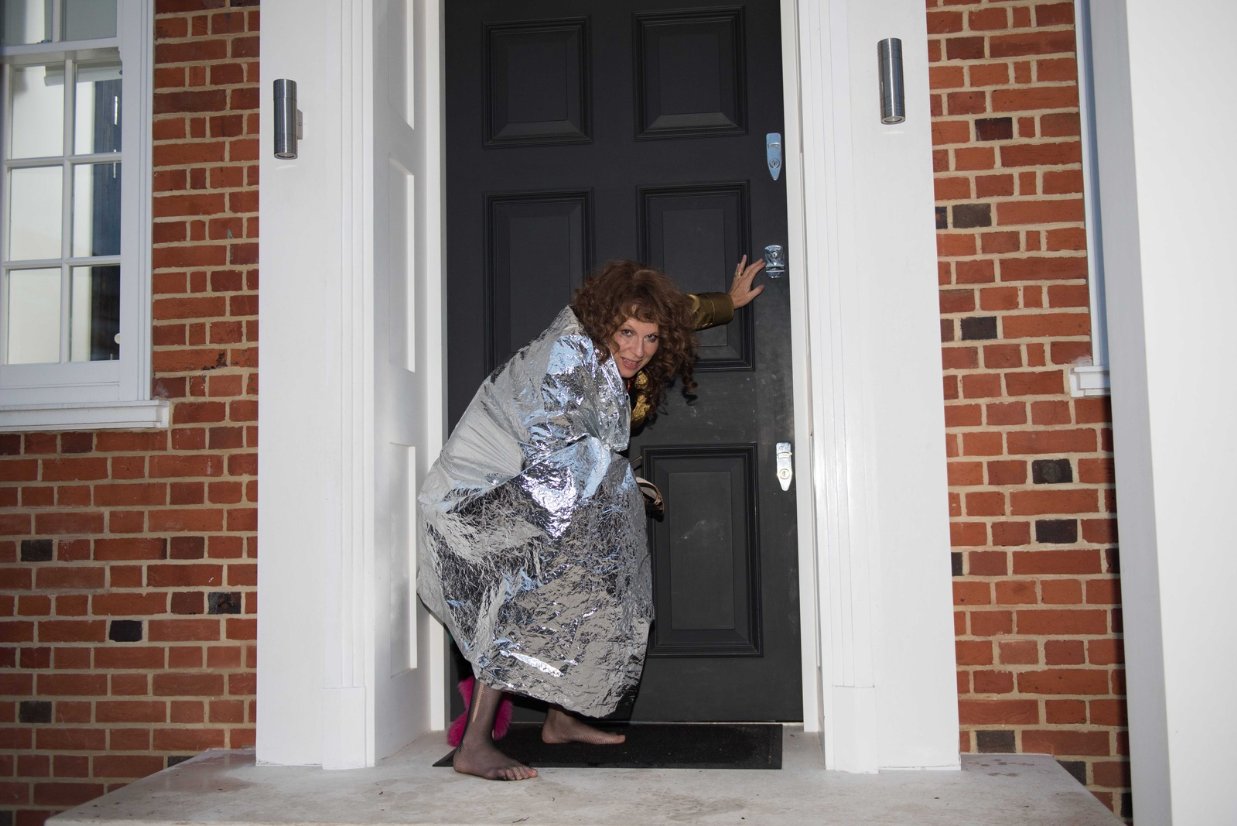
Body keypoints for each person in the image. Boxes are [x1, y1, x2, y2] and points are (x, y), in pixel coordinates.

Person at [417, 257, 765, 781]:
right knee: (520, 593)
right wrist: (624, 488)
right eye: (627, 333)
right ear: (603, 324)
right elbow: (551, 453)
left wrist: (728, 304)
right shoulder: (565, 357)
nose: (638, 350)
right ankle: (474, 744)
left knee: (588, 579)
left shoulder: (614, 337)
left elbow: (679, 312)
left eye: (651, 338)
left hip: (539, 482)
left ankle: (561, 718)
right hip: (481, 494)